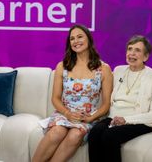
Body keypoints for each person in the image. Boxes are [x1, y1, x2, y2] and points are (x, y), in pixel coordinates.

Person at [32, 25, 113, 162]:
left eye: (80, 37)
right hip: (65, 113)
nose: (76, 41)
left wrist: (90, 118)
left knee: (76, 134)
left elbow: (106, 105)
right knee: (57, 132)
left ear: (89, 39)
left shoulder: (104, 69)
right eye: (72, 39)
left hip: (87, 117)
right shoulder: (62, 66)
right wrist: (68, 113)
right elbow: (55, 98)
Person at [88, 35, 152, 162]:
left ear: (146, 56)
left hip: (140, 120)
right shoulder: (119, 71)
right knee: (95, 132)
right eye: (130, 49)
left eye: (137, 50)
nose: (132, 54)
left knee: (110, 135)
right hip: (115, 117)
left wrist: (126, 120)